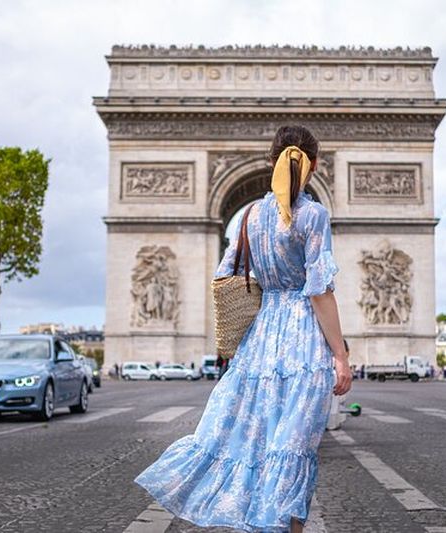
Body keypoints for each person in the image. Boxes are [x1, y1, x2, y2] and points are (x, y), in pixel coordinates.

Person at [135, 125, 352, 533]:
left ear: (271, 162)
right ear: (315, 166)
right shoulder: (313, 216)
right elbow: (320, 292)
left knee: (255, 447)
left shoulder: (250, 216)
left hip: (259, 344)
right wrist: (340, 355)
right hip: (303, 346)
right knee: (291, 451)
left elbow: (227, 274)